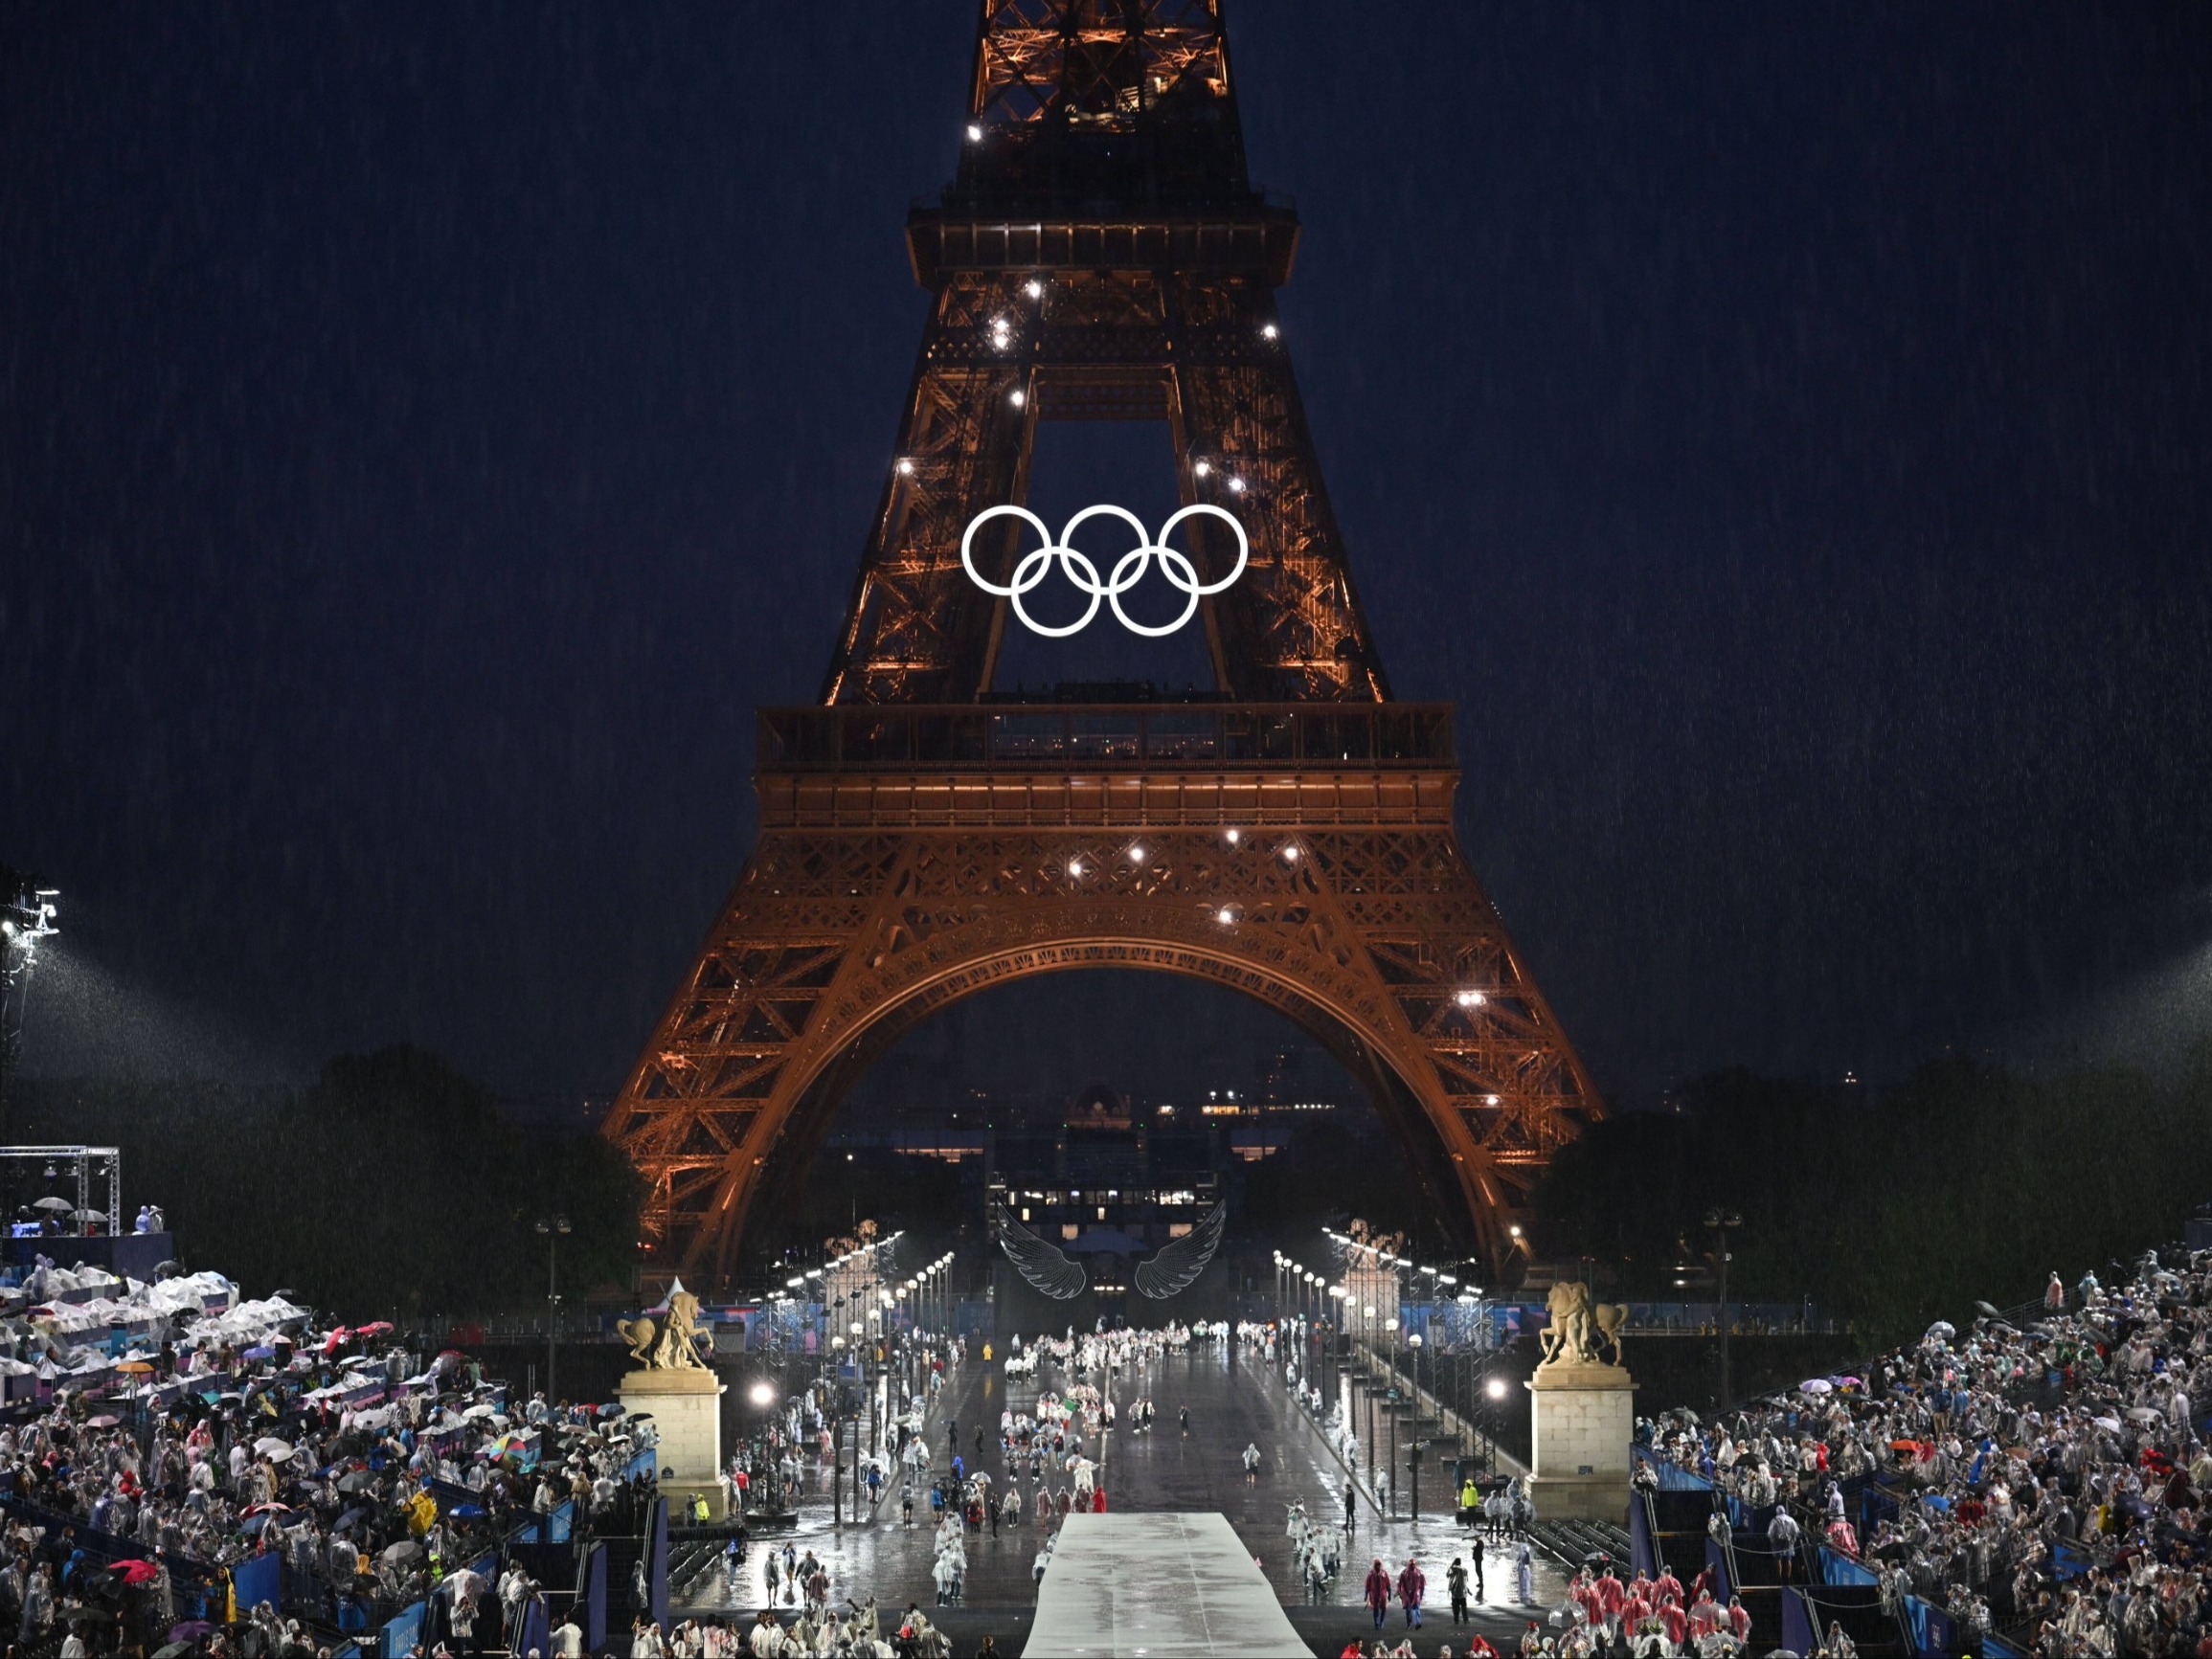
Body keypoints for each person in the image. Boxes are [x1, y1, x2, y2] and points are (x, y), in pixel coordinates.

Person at [1397, 1557, 1425, 1628]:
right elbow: (1399, 1583)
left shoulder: (1419, 1572)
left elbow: (1422, 1584)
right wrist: (1399, 1592)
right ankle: (1409, 1624)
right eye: (1411, 1565)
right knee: (1408, 1609)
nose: (1413, 1566)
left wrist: (1421, 1593)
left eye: (1414, 1565)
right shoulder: (1404, 1573)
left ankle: (1417, 1622)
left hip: (1416, 1593)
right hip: (1407, 1593)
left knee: (1416, 1608)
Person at [1365, 1559, 1392, 1630]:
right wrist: (1366, 1595)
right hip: (1374, 1594)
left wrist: (1389, 1594)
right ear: (1374, 1565)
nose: (1378, 1566)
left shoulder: (1384, 1573)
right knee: (1375, 1609)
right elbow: (1367, 1585)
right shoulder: (1371, 1574)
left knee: (1383, 1609)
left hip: (1383, 1594)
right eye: (1377, 1565)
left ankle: (1381, 1621)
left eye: (1379, 1565)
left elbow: (1388, 1584)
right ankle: (1376, 1622)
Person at [1446, 1557, 1470, 1625]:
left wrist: (1451, 1565)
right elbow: (1466, 1580)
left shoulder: (1453, 1569)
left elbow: (1447, 1575)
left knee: (1455, 1607)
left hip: (1455, 1592)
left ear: (1455, 1562)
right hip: (1463, 1591)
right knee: (1464, 1607)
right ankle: (1466, 1620)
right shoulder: (1465, 1570)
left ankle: (1456, 1620)